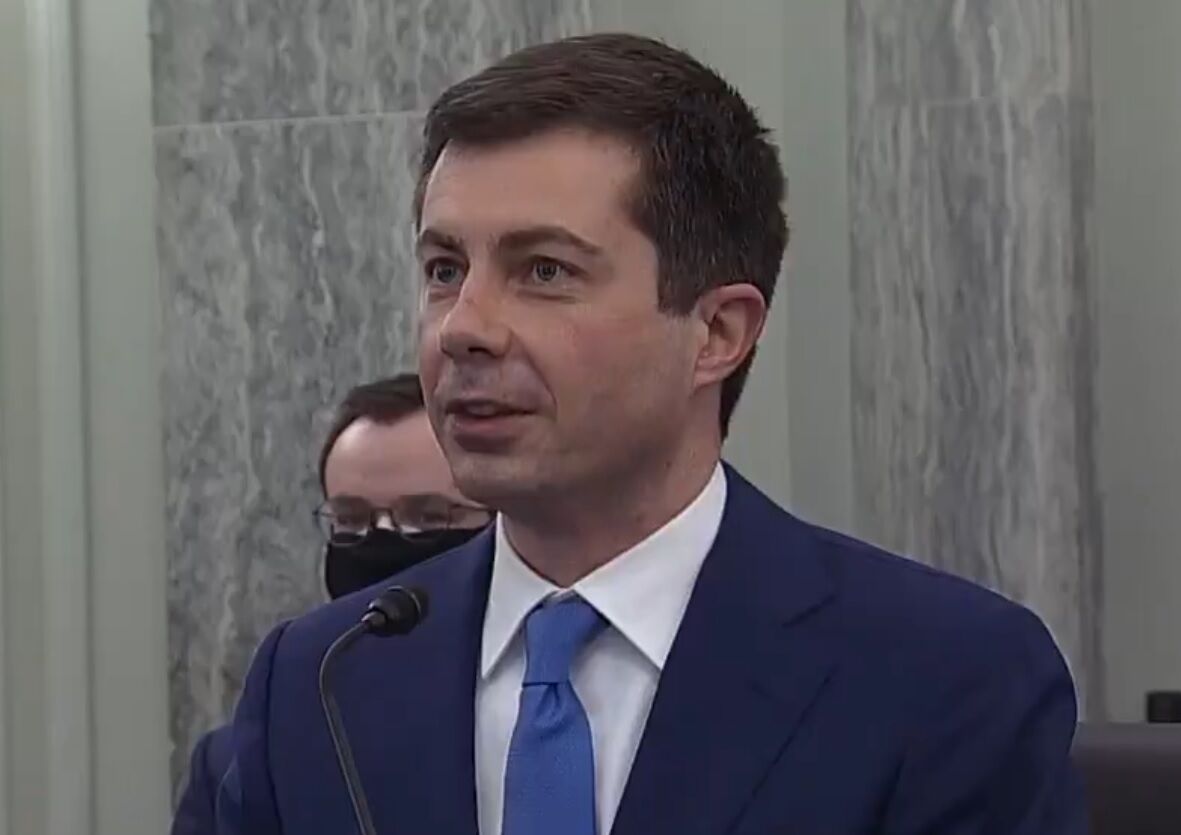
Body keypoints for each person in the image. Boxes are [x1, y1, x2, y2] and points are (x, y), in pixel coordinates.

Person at [214, 33, 1085, 835]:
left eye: (543, 270)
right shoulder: (320, 678)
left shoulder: (944, 678)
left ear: (717, 333)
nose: (461, 328)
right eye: (445, 269)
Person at [170, 373, 490, 835]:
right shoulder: (253, 763)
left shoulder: (549, 709)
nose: (381, 542)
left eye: (427, 517)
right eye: (352, 520)